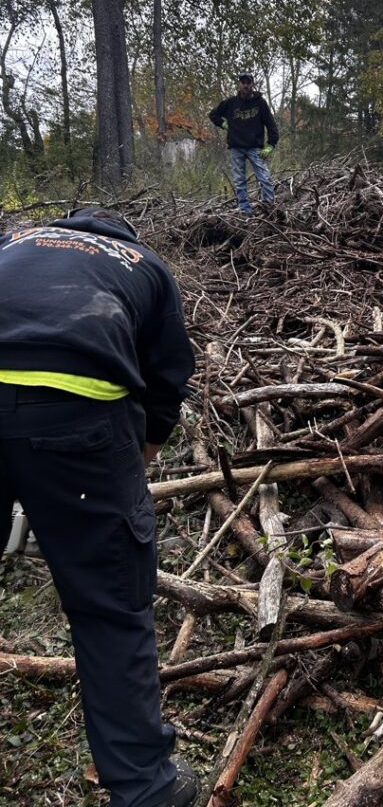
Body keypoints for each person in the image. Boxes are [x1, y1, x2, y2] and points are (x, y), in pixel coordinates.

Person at [0, 207, 198, 807]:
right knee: (110, 607)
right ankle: (146, 788)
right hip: (79, 415)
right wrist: (128, 466)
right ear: (124, 236)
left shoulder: (14, 241)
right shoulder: (146, 265)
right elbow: (167, 382)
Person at [209, 71, 279, 213]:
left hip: (255, 147)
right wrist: (223, 124)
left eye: (248, 82)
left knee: (264, 177)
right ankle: (245, 209)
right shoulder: (230, 103)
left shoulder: (260, 103)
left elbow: (271, 124)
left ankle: (269, 207)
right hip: (236, 147)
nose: (246, 85)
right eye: (243, 82)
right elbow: (213, 114)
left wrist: (271, 145)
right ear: (239, 84)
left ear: (253, 84)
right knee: (239, 180)